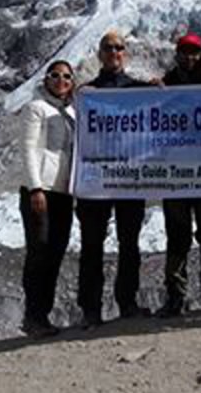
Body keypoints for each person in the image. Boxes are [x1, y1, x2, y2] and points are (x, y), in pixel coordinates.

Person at [75, 31, 153, 327]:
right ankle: (90, 309)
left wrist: (160, 91)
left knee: (129, 243)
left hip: (131, 178)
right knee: (92, 244)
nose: (114, 52)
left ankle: (127, 302)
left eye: (119, 48)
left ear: (126, 54)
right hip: (96, 179)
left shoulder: (138, 89)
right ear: (100, 54)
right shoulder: (87, 93)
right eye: (108, 48)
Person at [155, 33, 201, 317]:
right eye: (185, 52)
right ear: (178, 54)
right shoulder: (168, 82)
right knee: (177, 236)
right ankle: (176, 296)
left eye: (194, 52)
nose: (190, 57)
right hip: (175, 173)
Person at [18, 60, 78, 337]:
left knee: (55, 253)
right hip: (41, 192)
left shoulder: (72, 113)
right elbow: (28, 149)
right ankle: (33, 316)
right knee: (39, 252)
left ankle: (44, 316)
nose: (61, 80)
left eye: (67, 76)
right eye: (55, 75)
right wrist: (35, 188)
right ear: (46, 79)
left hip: (63, 192)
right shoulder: (35, 108)